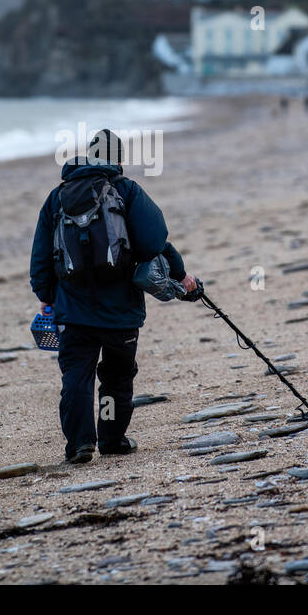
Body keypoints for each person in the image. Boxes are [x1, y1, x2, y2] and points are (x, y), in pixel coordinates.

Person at [29, 128, 196, 464]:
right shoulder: (126, 190)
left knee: (76, 377)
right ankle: (111, 439)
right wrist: (181, 275)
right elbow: (154, 243)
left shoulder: (57, 197)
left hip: (72, 311)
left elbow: (41, 255)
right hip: (120, 309)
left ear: (90, 155)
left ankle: (79, 445)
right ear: (118, 159)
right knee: (117, 377)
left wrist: (45, 295)